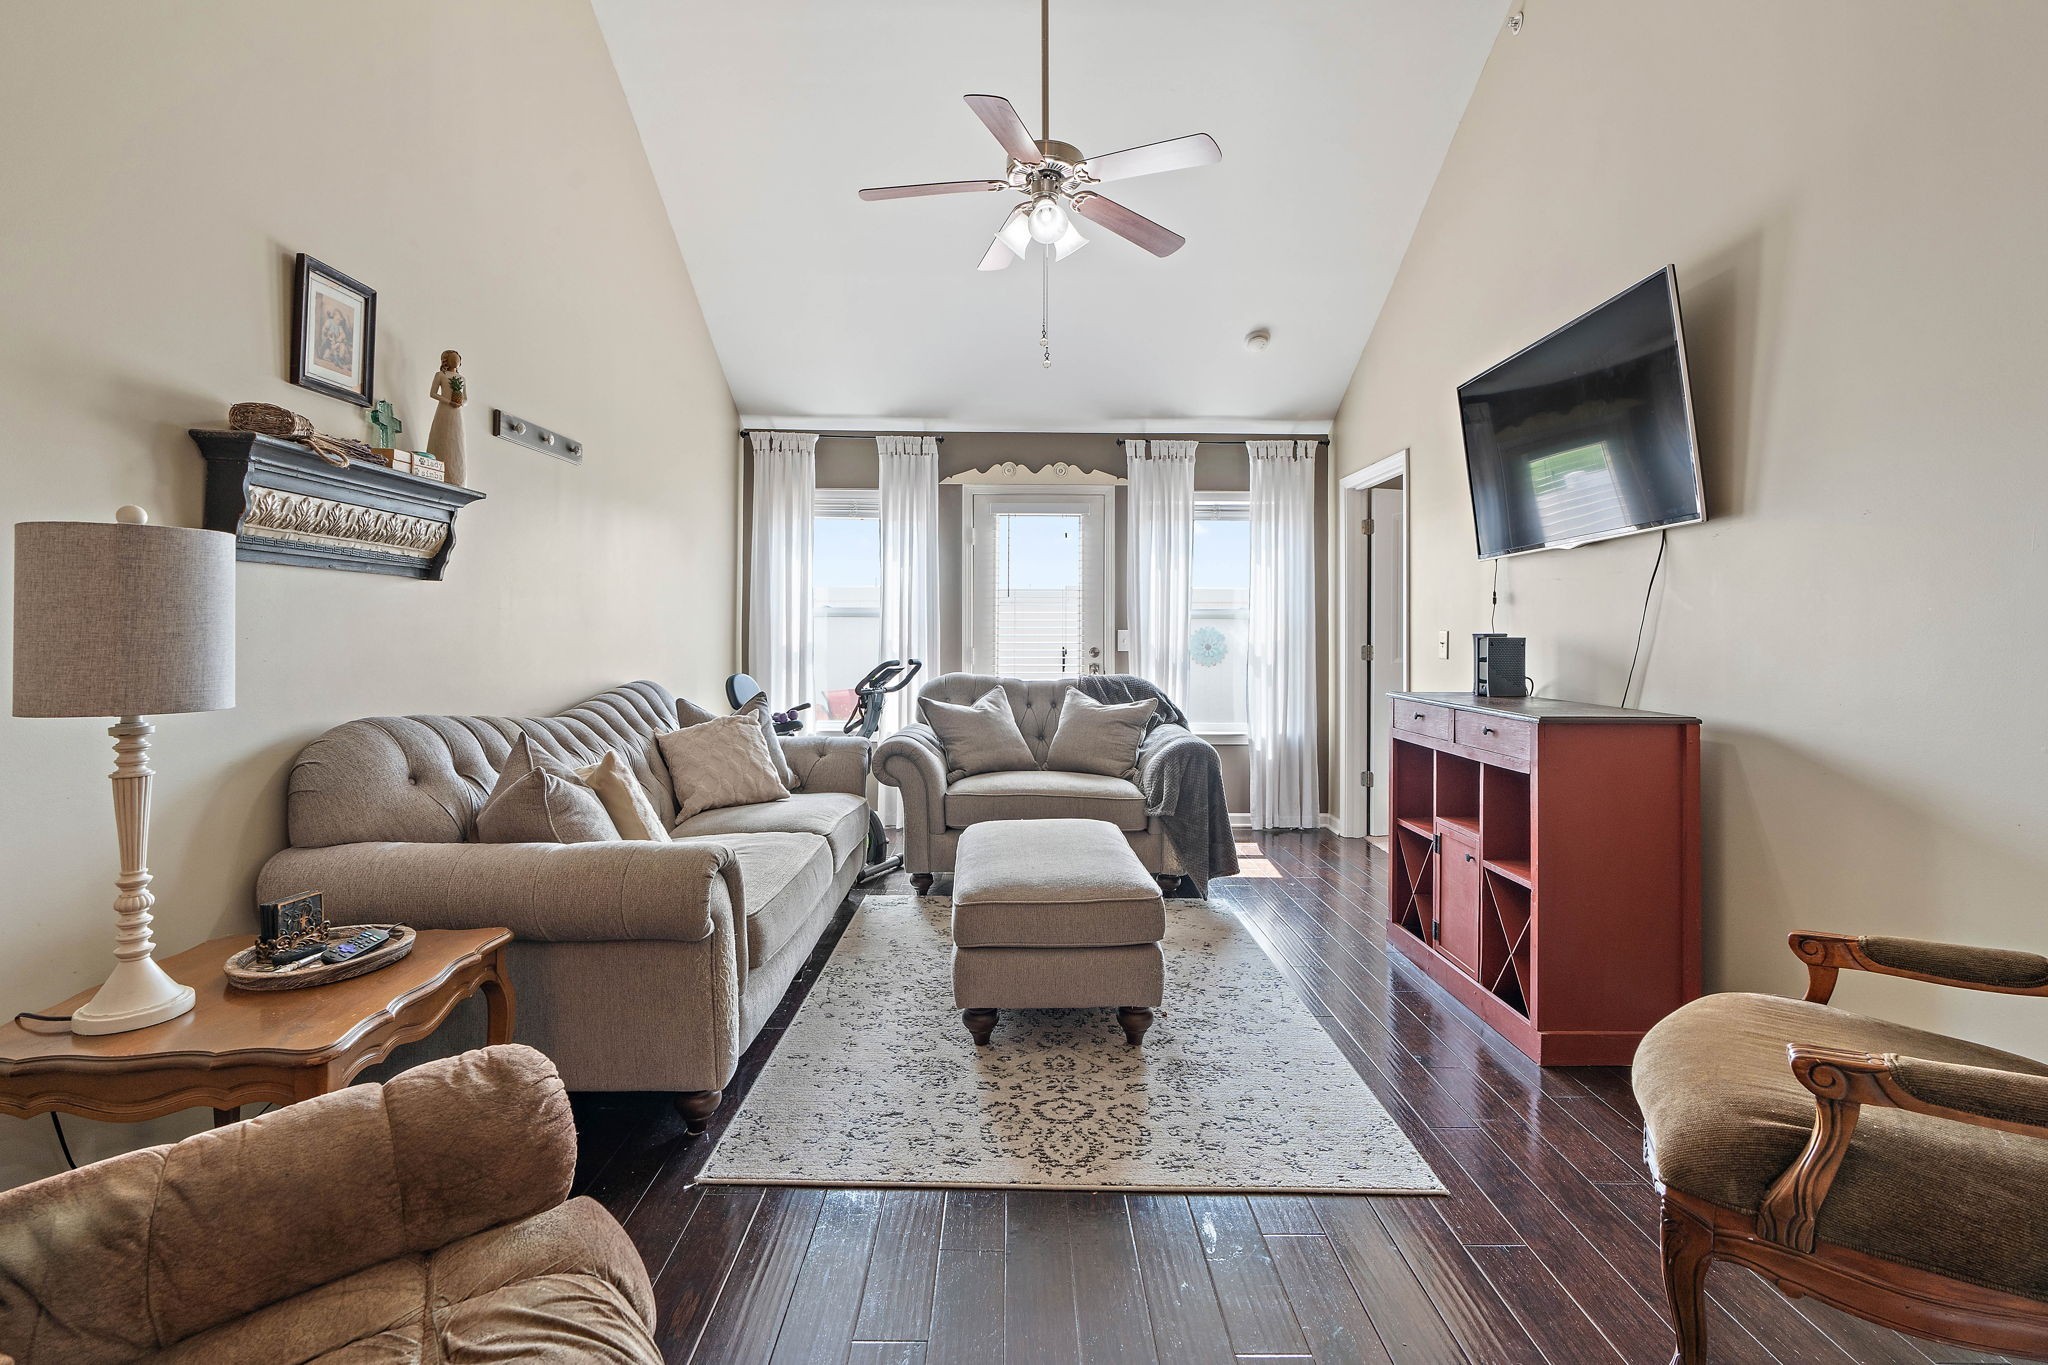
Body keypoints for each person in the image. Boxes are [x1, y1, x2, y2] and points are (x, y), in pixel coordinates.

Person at [426, 349, 468, 485]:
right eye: (452, 359)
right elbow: (433, 393)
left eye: (457, 359)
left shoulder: (462, 379)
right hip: (445, 410)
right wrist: (448, 401)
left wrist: (461, 403)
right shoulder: (441, 375)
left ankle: (456, 476)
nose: (455, 361)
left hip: (457, 412)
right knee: (442, 436)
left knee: (457, 440)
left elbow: (466, 398)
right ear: (446, 360)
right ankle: (438, 471)